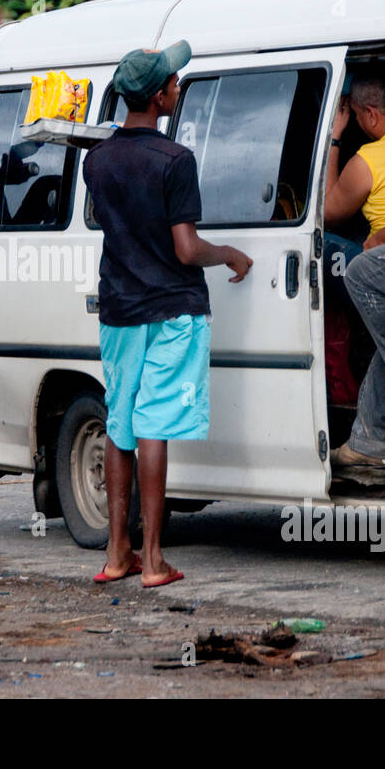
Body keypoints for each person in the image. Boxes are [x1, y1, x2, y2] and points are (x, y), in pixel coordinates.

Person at [83, 40, 253, 589]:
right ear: (158, 96)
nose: (177, 89)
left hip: (119, 309)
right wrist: (227, 254)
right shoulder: (176, 161)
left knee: (119, 424)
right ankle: (154, 561)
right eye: (174, 83)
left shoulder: (97, 159)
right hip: (173, 311)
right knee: (153, 427)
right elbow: (185, 249)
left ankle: (117, 555)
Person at [323, 73, 385, 474]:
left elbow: (326, 210)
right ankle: (371, 439)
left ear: (371, 115)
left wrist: (334, 138)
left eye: (360, 117)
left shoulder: (368, 161)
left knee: (322, 245)